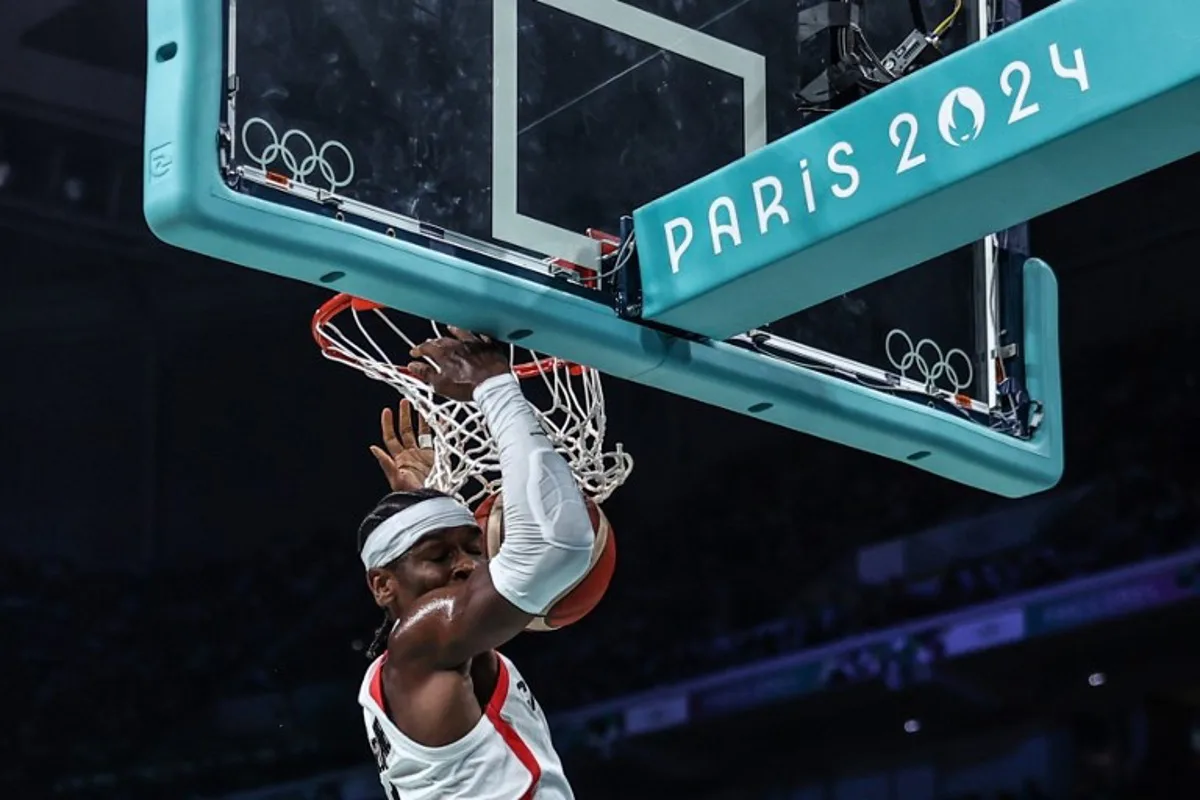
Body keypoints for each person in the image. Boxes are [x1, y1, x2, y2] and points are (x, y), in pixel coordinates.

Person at [357, 328, 592, 800]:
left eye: (473, 548)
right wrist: (494, 385)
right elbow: (556, 545)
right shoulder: (421, 638)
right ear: (383, 586)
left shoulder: (423, 659)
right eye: (439, 557)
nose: (466, 566)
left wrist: (423, 497)